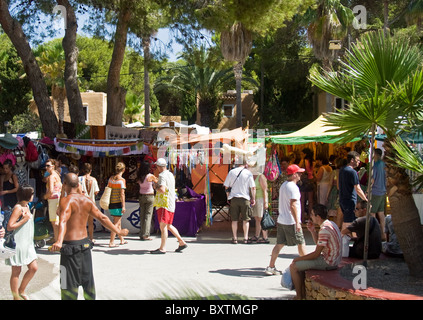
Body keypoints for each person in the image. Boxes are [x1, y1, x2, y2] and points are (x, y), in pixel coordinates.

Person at [50, 173, 129, 300]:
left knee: (67, 288)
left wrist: (59, 241)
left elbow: (63, 220)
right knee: (88, 286)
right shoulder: (87, 201)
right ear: (78, 185)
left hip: (69, 248)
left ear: (64, 185)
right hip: (85, 246)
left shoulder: (66, 201)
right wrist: (118, 231)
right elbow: (102, 217)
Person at [290, 204, 342, 300]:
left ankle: (299, 296)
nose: (311, 217)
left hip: (329, 262)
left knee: (293, 267)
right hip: (333, 260)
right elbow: (319, 245)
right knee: (300, 265)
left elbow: (316, 254)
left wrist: (297, 259)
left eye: (312, 214)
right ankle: (302, 293)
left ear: (318, 217)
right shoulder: (330, 224)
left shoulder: (324, 230)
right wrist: (313, 231)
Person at [265, 164, 307, 275]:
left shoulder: (284, 185)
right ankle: (306, 266)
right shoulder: (293, 188)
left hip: (282, 219)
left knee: (279, 244)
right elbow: (293, 205)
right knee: (301, 242)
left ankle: (271, 266)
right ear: (294, 175)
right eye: (298, 173)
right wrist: (297, 221)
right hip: (291, 221)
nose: (300, 175)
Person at [5, 184, 38, 300]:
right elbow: (10, 226)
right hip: (18, 243)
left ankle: (21, 290)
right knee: (16, 271)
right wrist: (24, 220)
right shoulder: (18, 208)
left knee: (33, 267)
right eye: (32, 193)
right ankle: (16, 297)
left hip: (27, 243)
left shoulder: (26, 206)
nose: (33, 195)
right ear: (27, 195)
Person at [151, 158, 187, 254]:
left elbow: (162, 189)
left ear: (158, 166)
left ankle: (162, 248)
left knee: (163, 226)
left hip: (164, 203)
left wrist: (155, 185)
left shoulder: (162, 176)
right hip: (170, 203)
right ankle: (181, 241)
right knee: (168, 225)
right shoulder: (170, 174)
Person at [223, 158, 256, 244]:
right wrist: (253, 198)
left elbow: (226, 186)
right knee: (246, 220)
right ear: (245, 164)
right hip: (245, 198)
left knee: (234, 220)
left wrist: (228, 197)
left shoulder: (231, 172)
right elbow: (253, 187)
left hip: (234, 198)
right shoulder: (248, 173)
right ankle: (245, 238)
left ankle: (235, 238)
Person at [338, 151, 368, 231]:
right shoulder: (353, 172)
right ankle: (343, 239)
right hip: (350, 200)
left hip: (342, 199)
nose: (359, 162)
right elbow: (357, 188)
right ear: (352, 160)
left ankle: (349, 238)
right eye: (357, 160)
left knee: (349, 220)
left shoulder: (342, 170)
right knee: (348, 222)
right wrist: (365, 199)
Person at [107, 162, 127, 248]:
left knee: (118, 221)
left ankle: (121, 239)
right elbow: (122, 194)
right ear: (123, 170)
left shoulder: (111, 179)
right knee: (116, 223)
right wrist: (123, 206)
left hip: (111, 202)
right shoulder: (122, 180)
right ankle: (111, 242)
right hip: (118, 203)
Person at [248, 162, 269, 243]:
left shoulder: (261, 176)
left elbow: (265, 190)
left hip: (260, 199)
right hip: (255, 199)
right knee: (257, 218)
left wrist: (266, 202)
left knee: (261, 218)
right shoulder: (251, 177)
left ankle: (265, 236)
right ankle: (257, 235)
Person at [79, 163, 100, 242]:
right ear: (91, 170)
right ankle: (91, 238)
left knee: (82, 222)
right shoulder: (93, 180)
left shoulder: (79, 179)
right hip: (91, 203)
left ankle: (83, 237)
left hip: (82, 203)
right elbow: (96, 192)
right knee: (90, 222)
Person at [137, 161, 157, 241]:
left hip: (141, 196)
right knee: (148, 216)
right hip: (150, 196)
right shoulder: (150, 176)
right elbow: (157, 182)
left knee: (142, 215)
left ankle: (141, 233)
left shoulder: (139, 176)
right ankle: (146, 234)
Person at [44, 159, 62, 242]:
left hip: (53, 199)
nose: (46, 167)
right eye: (46, 166)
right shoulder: (57, 175)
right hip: (58, 198)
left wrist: (45, 196)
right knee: (57, 220)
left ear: (53, 166)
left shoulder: (51, 177)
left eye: (48, 166)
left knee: (54, 221)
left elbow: (51, 191)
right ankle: (57, 238)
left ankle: (57, 240)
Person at [371, 148, 387, 240]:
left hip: (376, 191)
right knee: (381, 214)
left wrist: (368, 190)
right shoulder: (384, 164)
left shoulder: (376, 165)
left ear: (375, 154)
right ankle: (383, 234)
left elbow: (373, 179)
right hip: (382, 191)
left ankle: (375, 234)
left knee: (372, 213)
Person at [298, 148, 314, 223]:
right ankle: (310, 218)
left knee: (302, 201)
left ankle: (302, 218)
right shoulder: (312, 162)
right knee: (310, 201)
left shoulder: (303, 161)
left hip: (304, 182)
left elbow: (299, 169)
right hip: (310, 181)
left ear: (305, 154)